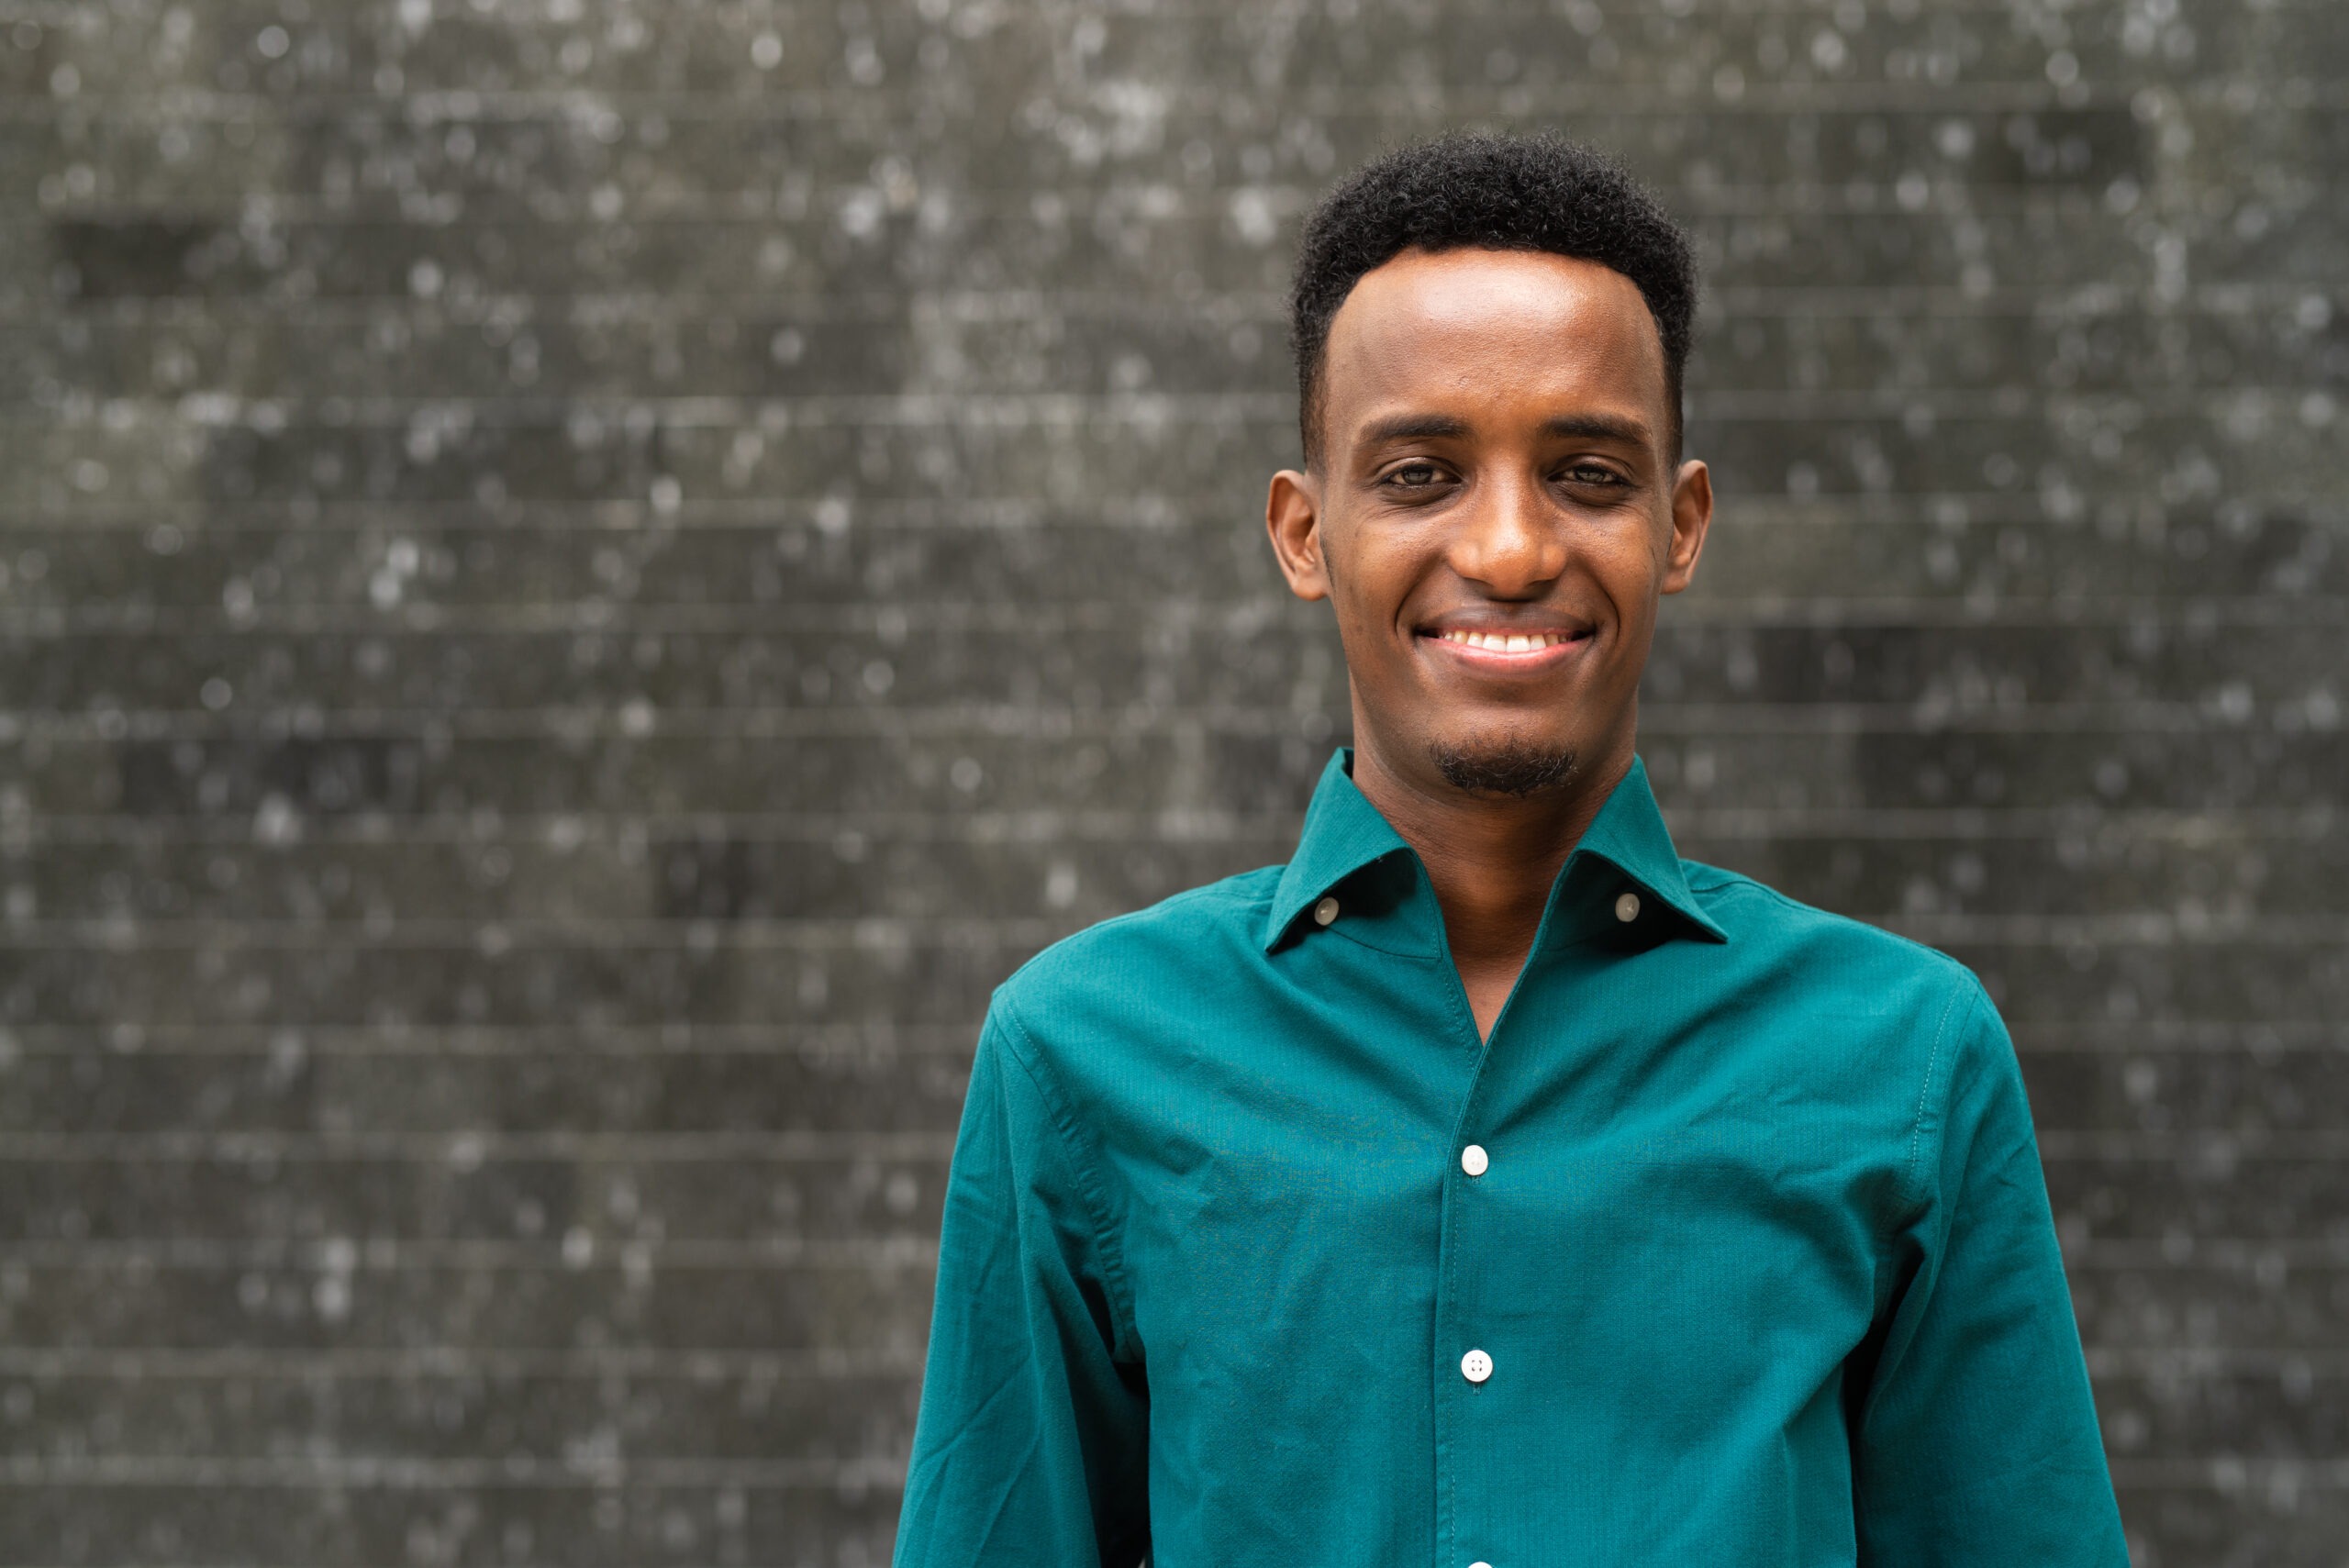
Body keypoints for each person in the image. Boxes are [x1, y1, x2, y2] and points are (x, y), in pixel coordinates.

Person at [891, 133, 2127, 1566]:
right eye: (1419, 472)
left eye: (1588, 472)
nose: (1513, 545)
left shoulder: (1906, 1059)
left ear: (1681, 523)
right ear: (1305, 532)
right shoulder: (1079, 1055)